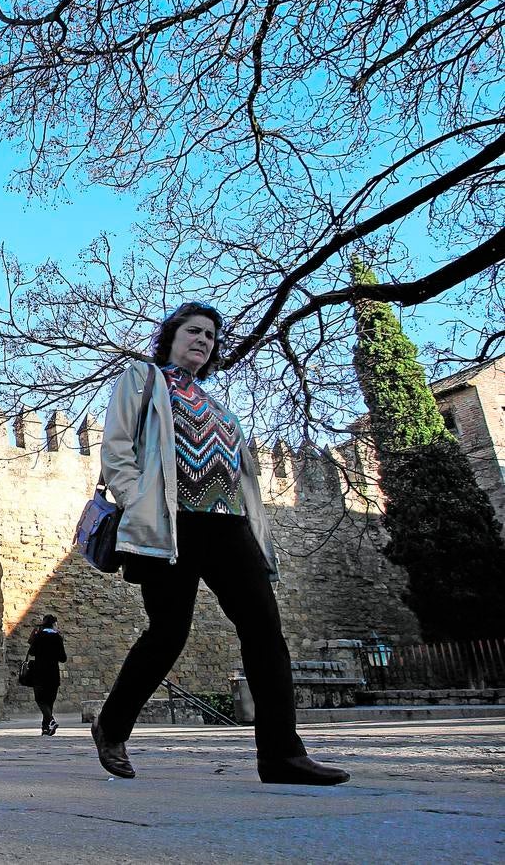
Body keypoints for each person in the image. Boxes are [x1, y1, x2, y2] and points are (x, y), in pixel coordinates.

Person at [91, 302, 350, 786]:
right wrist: (139, 501)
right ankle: (113, 724)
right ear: (170, 336)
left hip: (228, 526)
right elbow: (116, 447)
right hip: (171, 525)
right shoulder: (144, 379)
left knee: (265, 630)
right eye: (194, 330)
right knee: (169, 633)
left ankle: (281, 755)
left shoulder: (218, 407)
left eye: (211, 336)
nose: (203, 340)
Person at [26, 614, 67, 735]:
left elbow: (32, 652)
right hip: (52, 673)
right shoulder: (57, 638)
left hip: (39, 672)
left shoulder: (39, 636)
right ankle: (46, 727)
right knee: (49, 701)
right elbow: (63, 658)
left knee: (40, 699)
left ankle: (49, 723)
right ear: (54, 624)